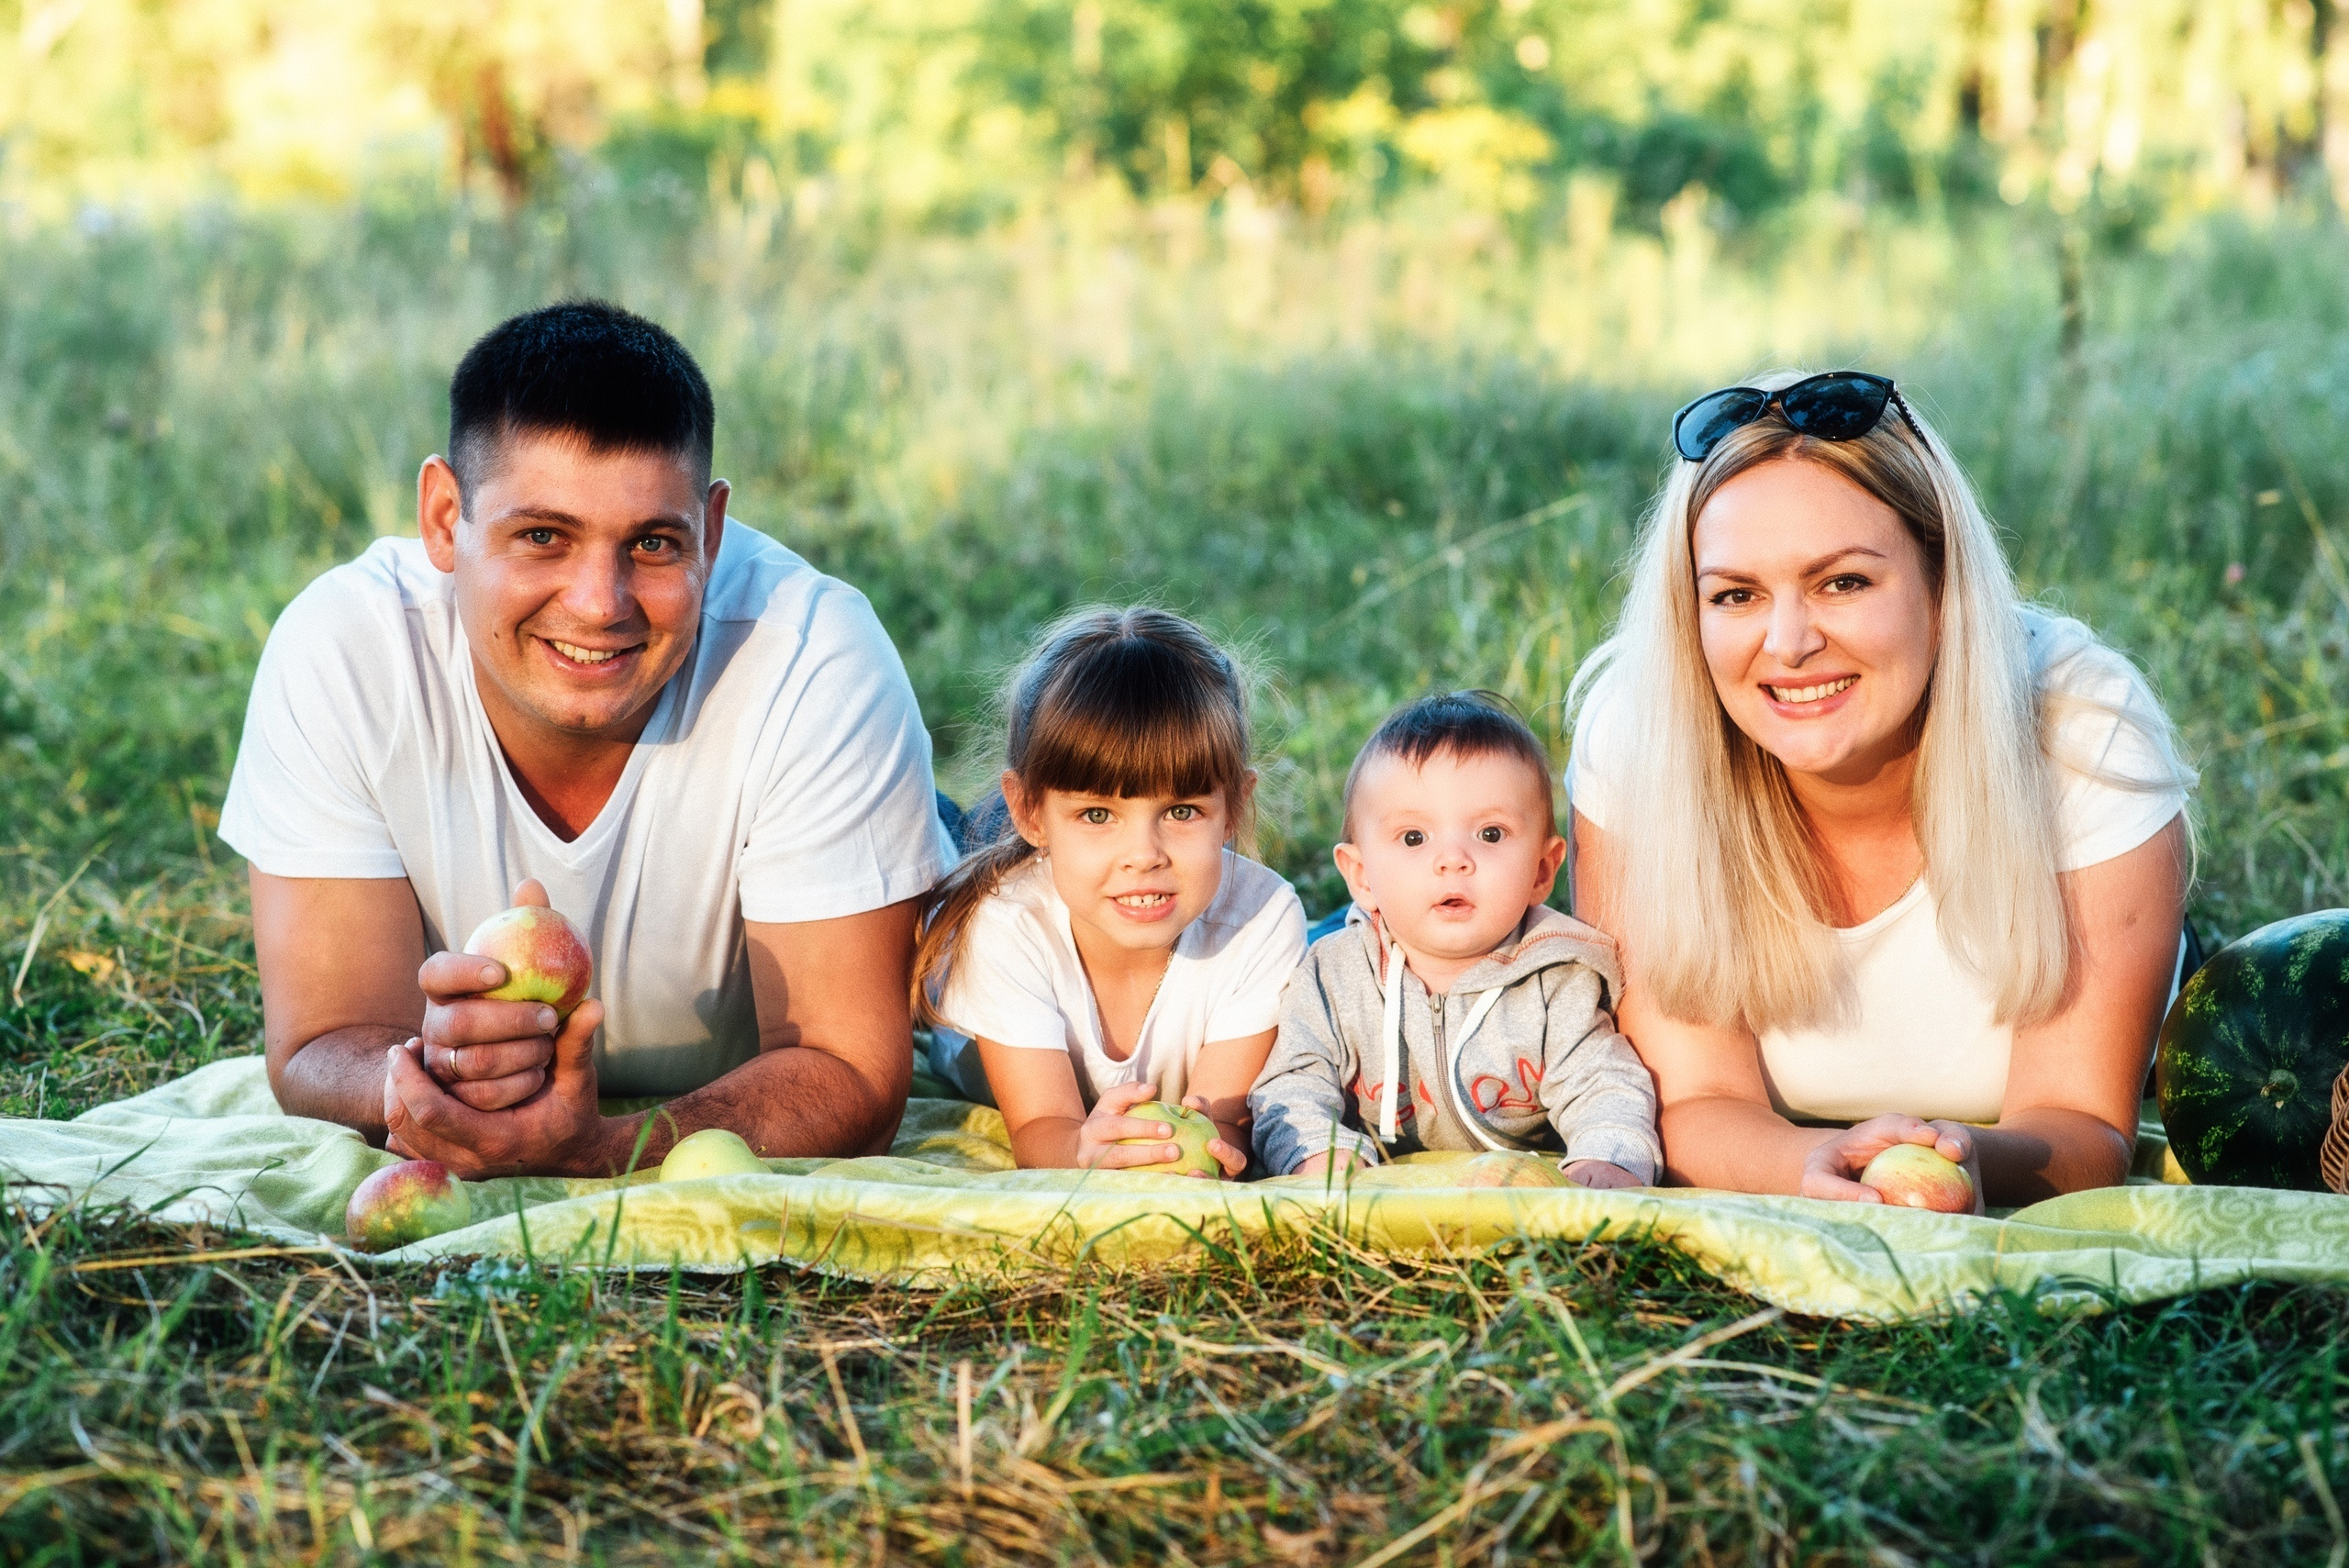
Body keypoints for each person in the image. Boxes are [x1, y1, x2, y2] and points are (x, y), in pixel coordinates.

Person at [221, 301, 955, 1178]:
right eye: (542, 536)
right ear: (445, 518)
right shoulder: (346, 649)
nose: (600, 603)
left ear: (711, 533)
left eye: (651, 543)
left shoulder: (815, 656)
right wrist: (426, 1074)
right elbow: (319, 1040)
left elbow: (854, 1072)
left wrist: (606, 1149)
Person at [1568, 369, 2195, 1209]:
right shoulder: (1643, 735)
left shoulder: (2083, 732)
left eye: (1844, 582)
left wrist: (1969, 1161)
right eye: (1736, 595)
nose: (1787, 643)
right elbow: (1690, 1100)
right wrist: (1812, 1166)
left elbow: (2084, 1123)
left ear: (1942, 586)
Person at [916, 607, 1306, 1173]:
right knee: (934, 840)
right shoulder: (1003, 923)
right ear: (1031, 811)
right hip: (1008, 878)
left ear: (1234, 809)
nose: (1144, 854)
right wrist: (1078, 1150)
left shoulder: (1263, 917)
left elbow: (1225, 1122)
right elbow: (1040, 1128)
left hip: (1067, 862)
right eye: (1099, 813)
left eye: (1181, 810)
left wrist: (1215, 1155)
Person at [1250, 693, 1659, 1185]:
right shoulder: (1334, 975)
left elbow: (1604, 1083)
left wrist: (1607, 1155)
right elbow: (1294, 1080)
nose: (1453, 860)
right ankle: (1338, 912)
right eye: (1414, 838)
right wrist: (1318, 1151)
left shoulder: (1557, 980)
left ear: (1542, 870)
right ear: (1361, 875)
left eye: (1490, 834)